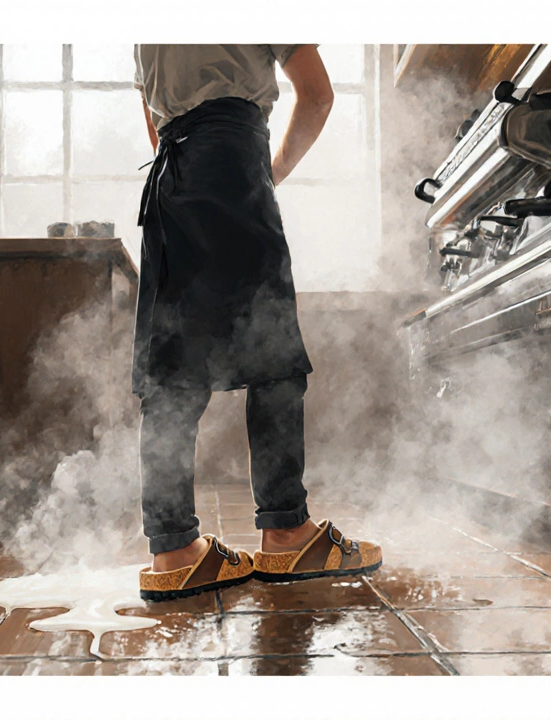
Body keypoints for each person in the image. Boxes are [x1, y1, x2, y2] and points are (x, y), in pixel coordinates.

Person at [131, 44, 381, 602]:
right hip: (233, 160)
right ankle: (287, 530)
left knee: (171, 371)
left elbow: (154, 121)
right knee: (273, 357)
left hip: (171, 181)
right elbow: (316, 96)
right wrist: (267, 173)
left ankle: (172, 548)